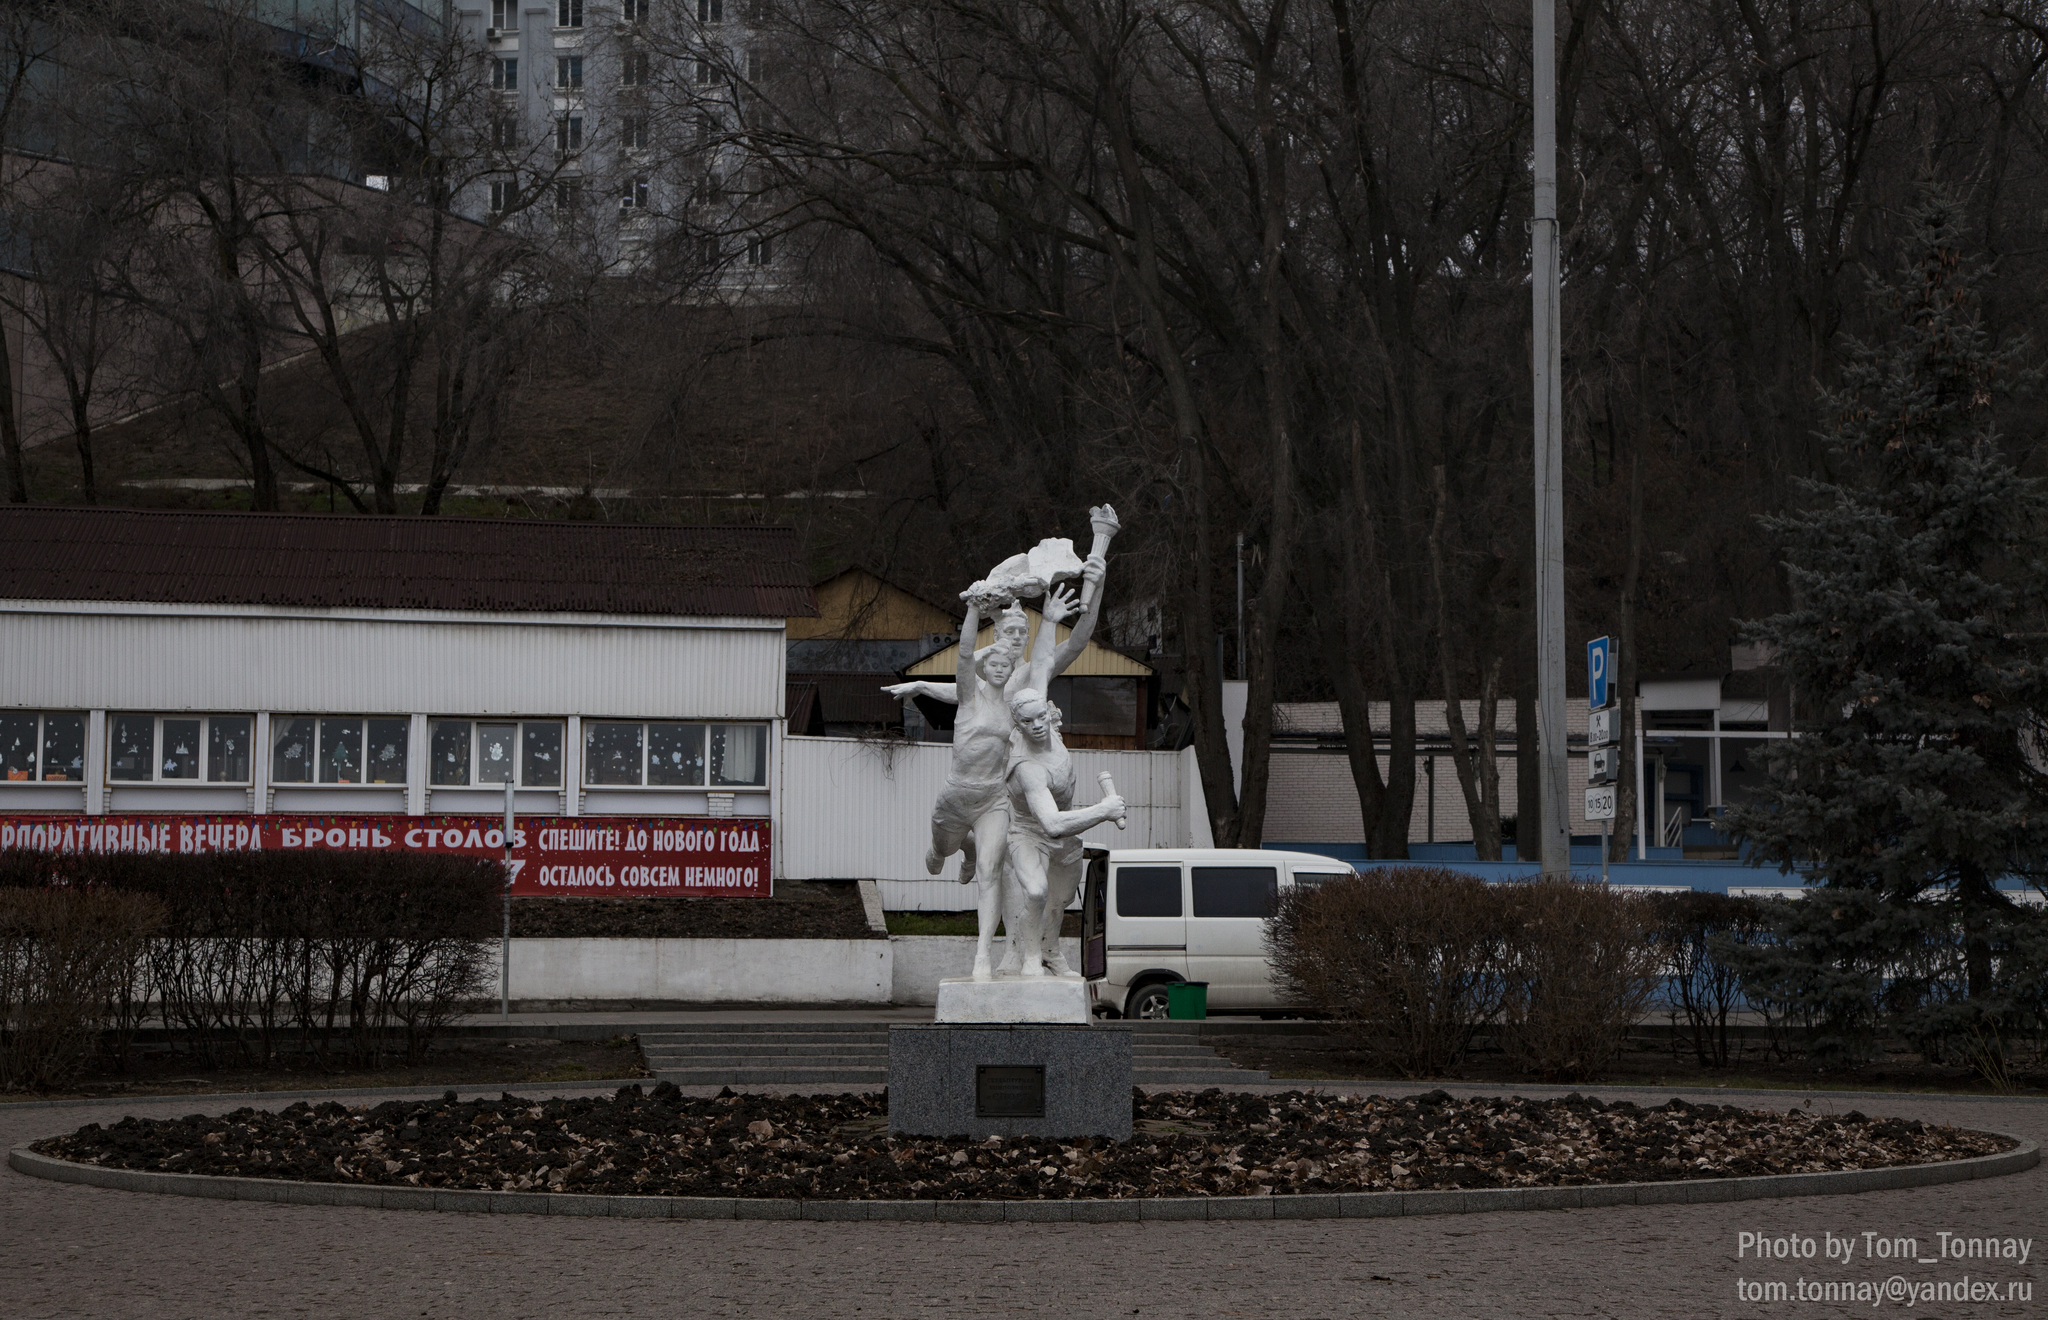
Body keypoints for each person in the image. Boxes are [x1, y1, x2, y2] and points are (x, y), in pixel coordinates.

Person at [1001, 685, 1124, 978]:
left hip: (1067, 832)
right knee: (1036, 891)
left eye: (1041, 716)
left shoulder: (1050, 729)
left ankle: (1050, 951)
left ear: (1048, 711)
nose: (1038, 726)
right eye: (1028, 722)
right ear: (1018, 725)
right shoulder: (1027, 768)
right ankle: (1029, 955)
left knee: (1060, 898)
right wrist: (1104, 810)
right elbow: (1052, 825)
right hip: (1031, 833)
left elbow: (1058, 653)